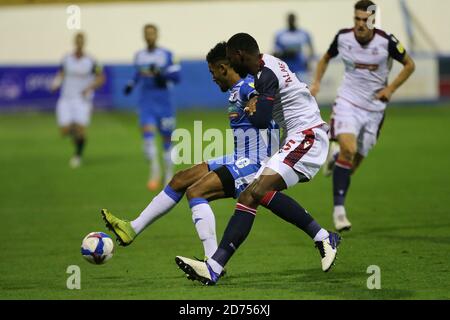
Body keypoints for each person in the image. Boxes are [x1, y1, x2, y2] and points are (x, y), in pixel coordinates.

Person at [175, 33, 341, 286]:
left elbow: (262, 120)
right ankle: (214, 267)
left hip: (308, 136)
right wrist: (255, 107)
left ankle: (322, 237)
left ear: (240, 56)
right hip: (297, 137)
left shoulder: (266, 75)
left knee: (258, 190)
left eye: (231, 59)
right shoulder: (267, 66)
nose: (230, 65)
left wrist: (250, 110)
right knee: (251, 194)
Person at [101, 42, 279, 261]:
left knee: (196, 192)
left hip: (257, 163)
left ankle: (213, 261)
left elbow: (256, 97)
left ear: (223, 68)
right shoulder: (236, 90)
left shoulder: (246, 87)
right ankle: (132, 228)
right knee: (180, 179)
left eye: (212, 72)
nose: (212, 78)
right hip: (239, 156)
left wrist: (255, 100)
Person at [309, 0, 415, 231]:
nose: (360, 24)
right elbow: (325, 58)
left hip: (375, 110)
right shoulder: (343, 38)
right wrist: (316, 83)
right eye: (357, 19)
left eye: (364, 19)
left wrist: (390, 89)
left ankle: (336, 160)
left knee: (353, 163)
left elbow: (409, 65)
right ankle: (339, 211)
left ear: (374, 20)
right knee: (349, 148)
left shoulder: (387, 42)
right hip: (347, 102)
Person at [124, 24, 181, 190]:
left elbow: (177, 77)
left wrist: (160, 74)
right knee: (148, 139)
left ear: (157, 35)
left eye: (152, 34)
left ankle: (169, 174)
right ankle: (155, 171)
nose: (149, 37)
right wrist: (131, 84)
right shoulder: (139, 56)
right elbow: (138, 74)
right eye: (147, 34)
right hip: (146, 102)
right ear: (144, 36)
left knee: (166, 141)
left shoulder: (167, 55)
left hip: (164, 103)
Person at [51, 32, 105, 168]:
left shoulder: (91, 61)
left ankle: (77, 156)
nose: (79, 43)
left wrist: (90, 87)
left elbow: (101, 78)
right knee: (64, 131)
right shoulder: (67, 59)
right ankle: (78, 136)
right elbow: (62, 73)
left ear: (84, 43)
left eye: (82, 41)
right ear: (75, 42)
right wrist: (56, 83)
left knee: (81, 129)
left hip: (82, 100)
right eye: (77, 40)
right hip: (66, 99)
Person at [273, 13, 315, 83]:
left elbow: (311, 49)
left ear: (295, 20)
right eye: (289, 20)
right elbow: (275, 51)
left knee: (303, 87)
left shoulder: (303, 33)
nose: (291, 21)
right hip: (286, 68)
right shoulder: (280, 34)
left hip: (301, 68)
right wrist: (285, 53)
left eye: (292, 20)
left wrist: (309, 61)